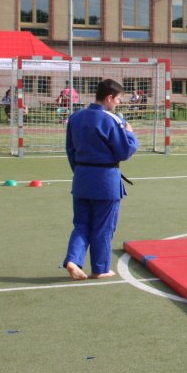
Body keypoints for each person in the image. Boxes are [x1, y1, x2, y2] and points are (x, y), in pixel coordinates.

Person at [62, 79, 139, 281]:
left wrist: (80, 171)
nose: (119, 103)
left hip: (82, 177)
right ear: (109, 97)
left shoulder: (75, 117)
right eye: (118, 99)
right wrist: (130, 134)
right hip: (105, 180)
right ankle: (100, 268)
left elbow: (70, 150)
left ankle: (73, 260)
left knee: (81, 224)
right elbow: (124, 151)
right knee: (103, 227)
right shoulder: (112, 119)